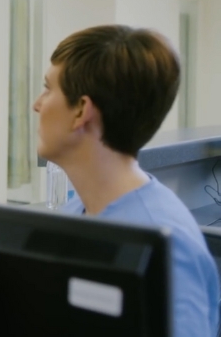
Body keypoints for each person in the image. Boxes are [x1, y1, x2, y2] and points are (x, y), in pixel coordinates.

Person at [33, 25, 219, 337]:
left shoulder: (167, 249)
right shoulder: (74, 213)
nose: (37, 104)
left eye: (48, 88)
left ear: (81, 111)